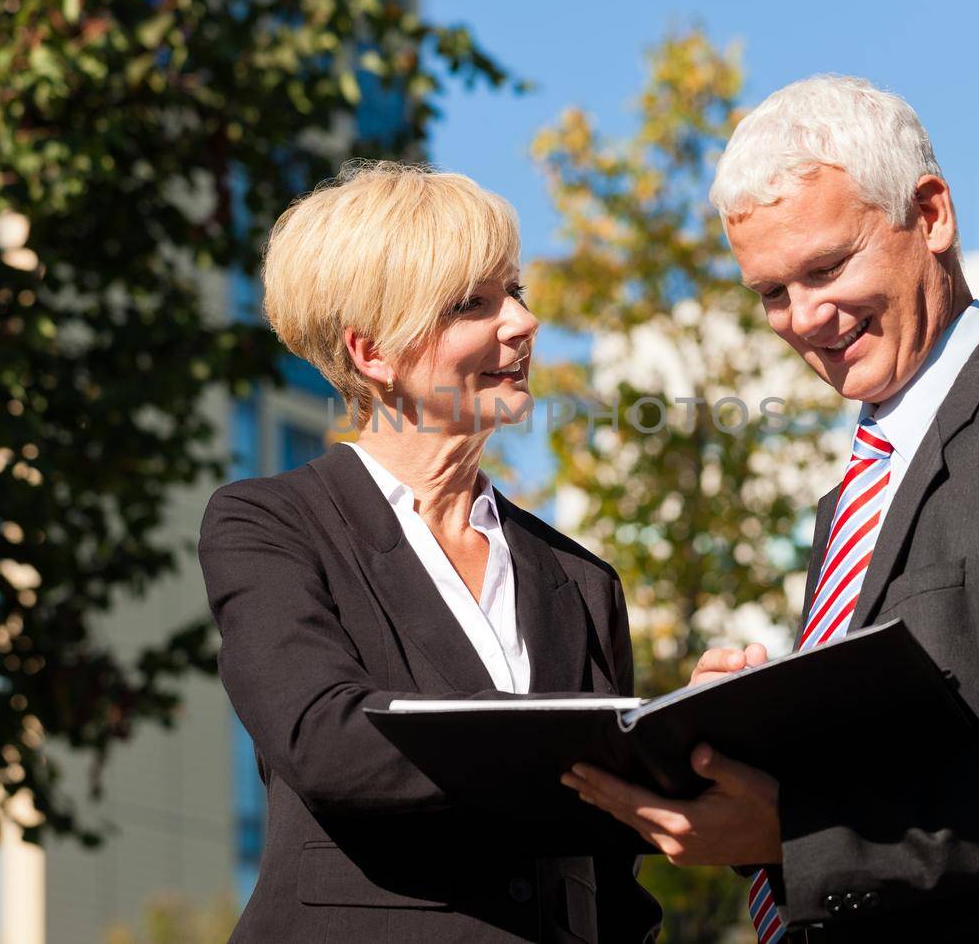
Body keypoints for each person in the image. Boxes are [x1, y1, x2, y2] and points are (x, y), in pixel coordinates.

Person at [561, 76, 979, 943]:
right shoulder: (856, 491)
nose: (804, 317)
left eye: (826, 267)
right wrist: (746, 742)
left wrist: (798, 833)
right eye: (771, 292)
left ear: (931, 215)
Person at [199, 162, 661, 942]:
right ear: (373, 351)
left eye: (514, 292)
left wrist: (684, 729)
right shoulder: (271, 526)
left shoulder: (581, 580)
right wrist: (601, 736)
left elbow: (610, 868)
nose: (520, 323)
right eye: (472, 305)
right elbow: (330, 741)